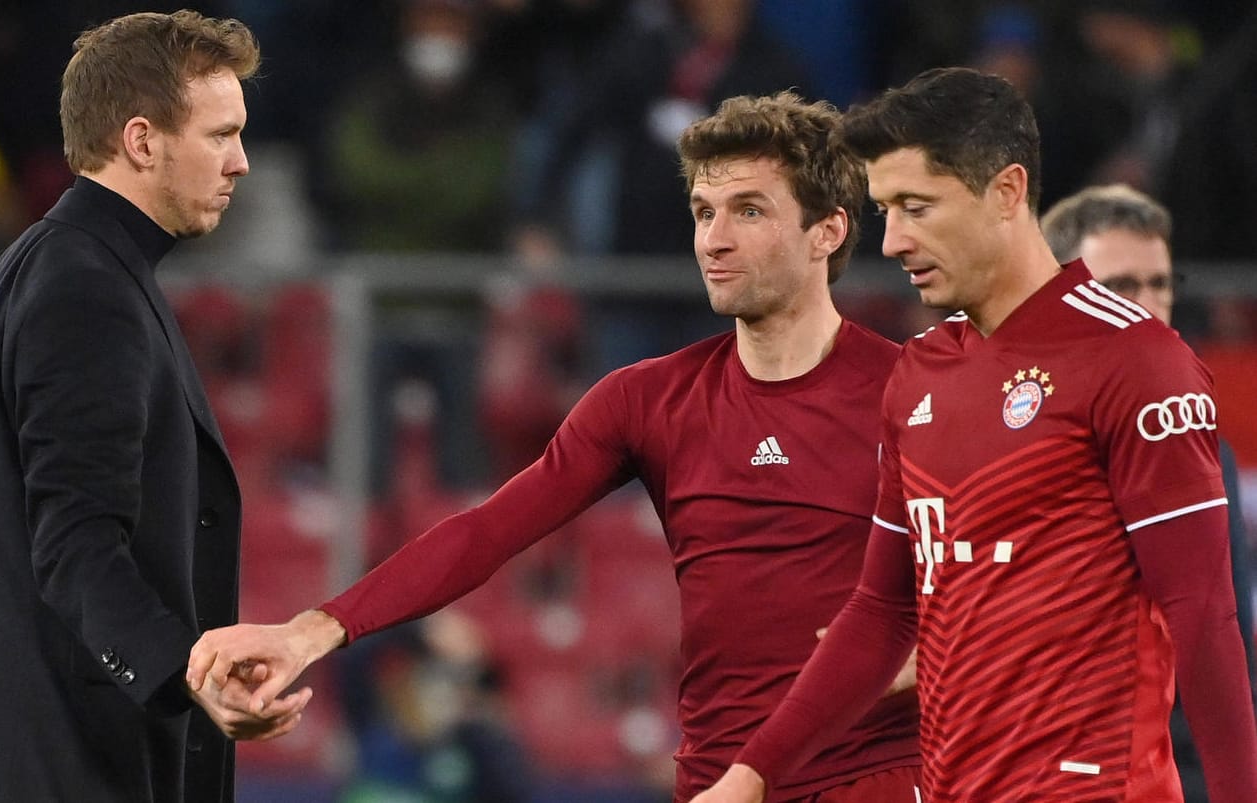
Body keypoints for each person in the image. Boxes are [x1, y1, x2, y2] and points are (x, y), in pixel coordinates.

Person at [190, 91, 924, 801]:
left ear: (826, 231)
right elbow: (487, 532)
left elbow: (1010, 594)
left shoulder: (912, 395)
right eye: (703, 211)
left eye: (749, 210)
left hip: (870, 778)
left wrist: (918, 657)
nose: (714, 238)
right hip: (713, 780)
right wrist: (308, 631)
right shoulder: (647, 399)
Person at [691, 66, 1257, 803]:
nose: (891, 240)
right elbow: (880, 611)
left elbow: (1204, 616)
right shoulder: (921, 372)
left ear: (1006, 191)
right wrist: (750, 775)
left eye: (916, 207)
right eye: (884, 208)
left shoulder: (1135, 362)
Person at [0, 11, 308, 803]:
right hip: (42, 772)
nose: (242, 162)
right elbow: (76, 542)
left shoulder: (76, 268)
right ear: (142, 140)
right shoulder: (83, 289)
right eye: (220, 135)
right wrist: (187, 674)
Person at [1040, 182, 1257, 802]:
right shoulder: (1001, 442)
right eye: (1120, 288)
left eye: (1159, 284)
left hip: (1169, 773)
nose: (1147, 306)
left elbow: (1227, 641)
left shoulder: (1206, 451)